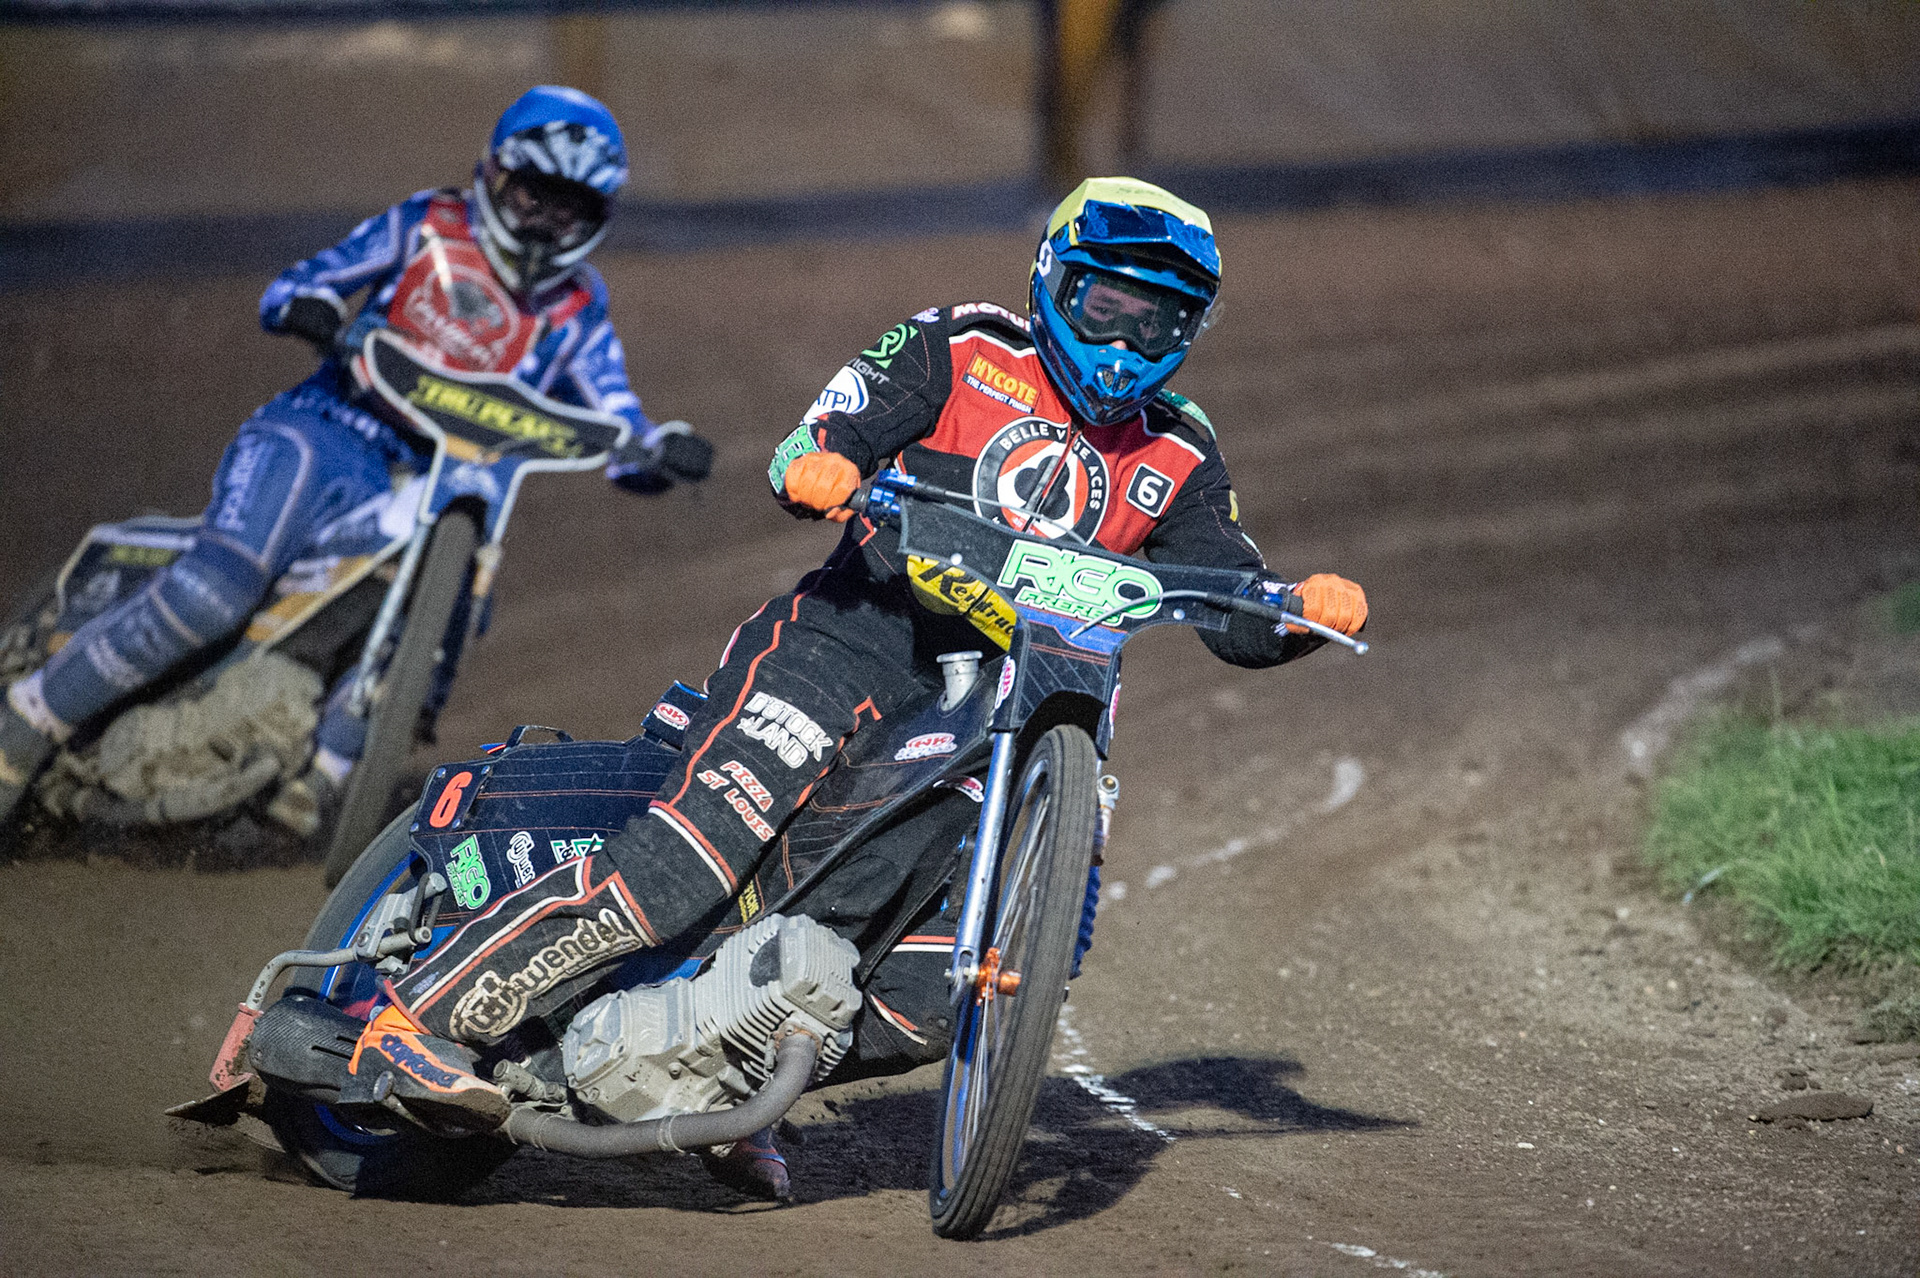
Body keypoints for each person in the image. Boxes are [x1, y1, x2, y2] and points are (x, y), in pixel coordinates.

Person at [334, 177, 1370, 1195]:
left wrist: (1300, 613)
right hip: (849, 642)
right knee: (682, 871)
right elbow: (826, 430)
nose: (1126, 345)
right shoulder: (961, 347)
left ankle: (710, 1082)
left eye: (1161, 325)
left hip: (1009, 712)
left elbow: (1232, 596)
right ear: (1057, 279)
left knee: (923, 998)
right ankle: (412, 1018)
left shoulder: (1179, 453)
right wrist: (818, 463)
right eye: (1109, 309)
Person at [0, 86, 697, 830]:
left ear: (599, 218)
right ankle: (27, 719)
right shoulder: (427, 225)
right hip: (326, 428)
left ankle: (320, 774)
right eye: (537, 195)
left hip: (441, 480)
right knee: (218, 590)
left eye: (572, 207)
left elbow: (616, 418)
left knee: (451, 623)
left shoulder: (580, 307)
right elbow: (297, 284)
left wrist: (655, 452)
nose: (548, 222)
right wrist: (311, 308)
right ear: (495, 175)